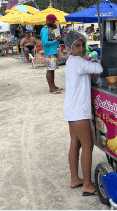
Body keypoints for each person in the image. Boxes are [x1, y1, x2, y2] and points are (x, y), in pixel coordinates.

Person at [63, 31, 103, 196]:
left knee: (75, 144)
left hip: (71, 110)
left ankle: (75, 179)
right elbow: (98, 68)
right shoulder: (79, 61)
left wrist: (88, 59)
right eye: (77, 46)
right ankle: (87, 184)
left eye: (82, 45)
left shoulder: (71, 61)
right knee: (87, 146)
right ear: (69, 48)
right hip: (79, 112)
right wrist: (93, 59)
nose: (81, 49)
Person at [40, 14, 63, 94]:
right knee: (50, 70)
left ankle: (53, 86)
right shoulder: (45, 30)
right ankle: (51, 88)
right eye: (53, 21)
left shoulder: (50, 29)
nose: (54, 23)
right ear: (48, 21)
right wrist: (55, 41)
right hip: (49, 52)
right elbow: (45, 43)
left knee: (52, 70)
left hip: (52, 51)